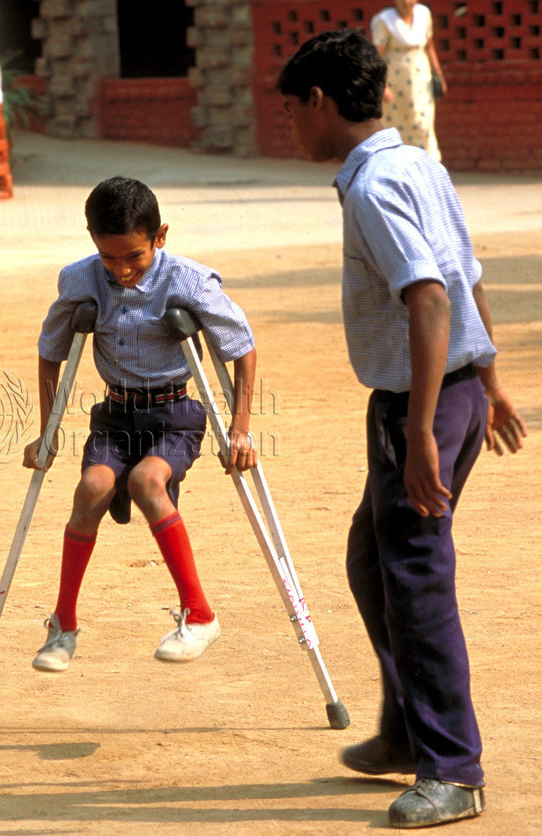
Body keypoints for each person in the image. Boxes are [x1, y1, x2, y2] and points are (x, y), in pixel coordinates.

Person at [277, 29, 527, 829]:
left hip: (416, 404)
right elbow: (467, 271)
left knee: (416, 578)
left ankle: (454, 768)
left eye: (291, 112)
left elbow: (429, 296)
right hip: (449, 393)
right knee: (373, 558)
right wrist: (490, 379)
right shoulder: (417, 159)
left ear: (319, 102)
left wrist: (418, 432)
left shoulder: (376, 185)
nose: (292, 129)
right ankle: (406, 730)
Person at [23, 176, 258, 672]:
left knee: (147, 480)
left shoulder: (189, 280)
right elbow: (51, 354)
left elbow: (242, 348)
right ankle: (63, 624)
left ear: (160, 236)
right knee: (90, 488)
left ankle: (199, 614)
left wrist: (239, 429)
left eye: (134, 256)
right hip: (115, 415)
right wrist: (47, 431)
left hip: (175, 413)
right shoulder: (79, 278)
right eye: (109, 258)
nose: (122, 270)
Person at [371, 0, 446, 161]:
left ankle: (428, 163)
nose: (407, 2)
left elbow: (429, 46)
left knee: (423, 123)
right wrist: (382, 85)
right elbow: (379, 56)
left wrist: (438, 74)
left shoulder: (423, 14)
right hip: (396, 83)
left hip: (421, 80)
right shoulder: (384, 20)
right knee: (397, 125)